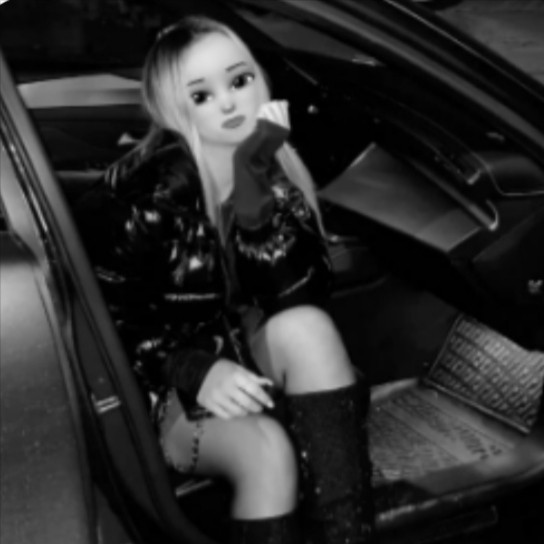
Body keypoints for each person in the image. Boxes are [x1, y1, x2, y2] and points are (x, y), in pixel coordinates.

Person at [76, 15, 375, 544]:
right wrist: (194, 369)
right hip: (161, 390)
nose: (230, 103)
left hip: (241, 356)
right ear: (173, 109)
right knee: (266, 450)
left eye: (239, 80)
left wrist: (254, 184)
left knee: (309, 328)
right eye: (202, 95)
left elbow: (301, 294)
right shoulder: (148, 197)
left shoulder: (270, 165)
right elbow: (98, 322)